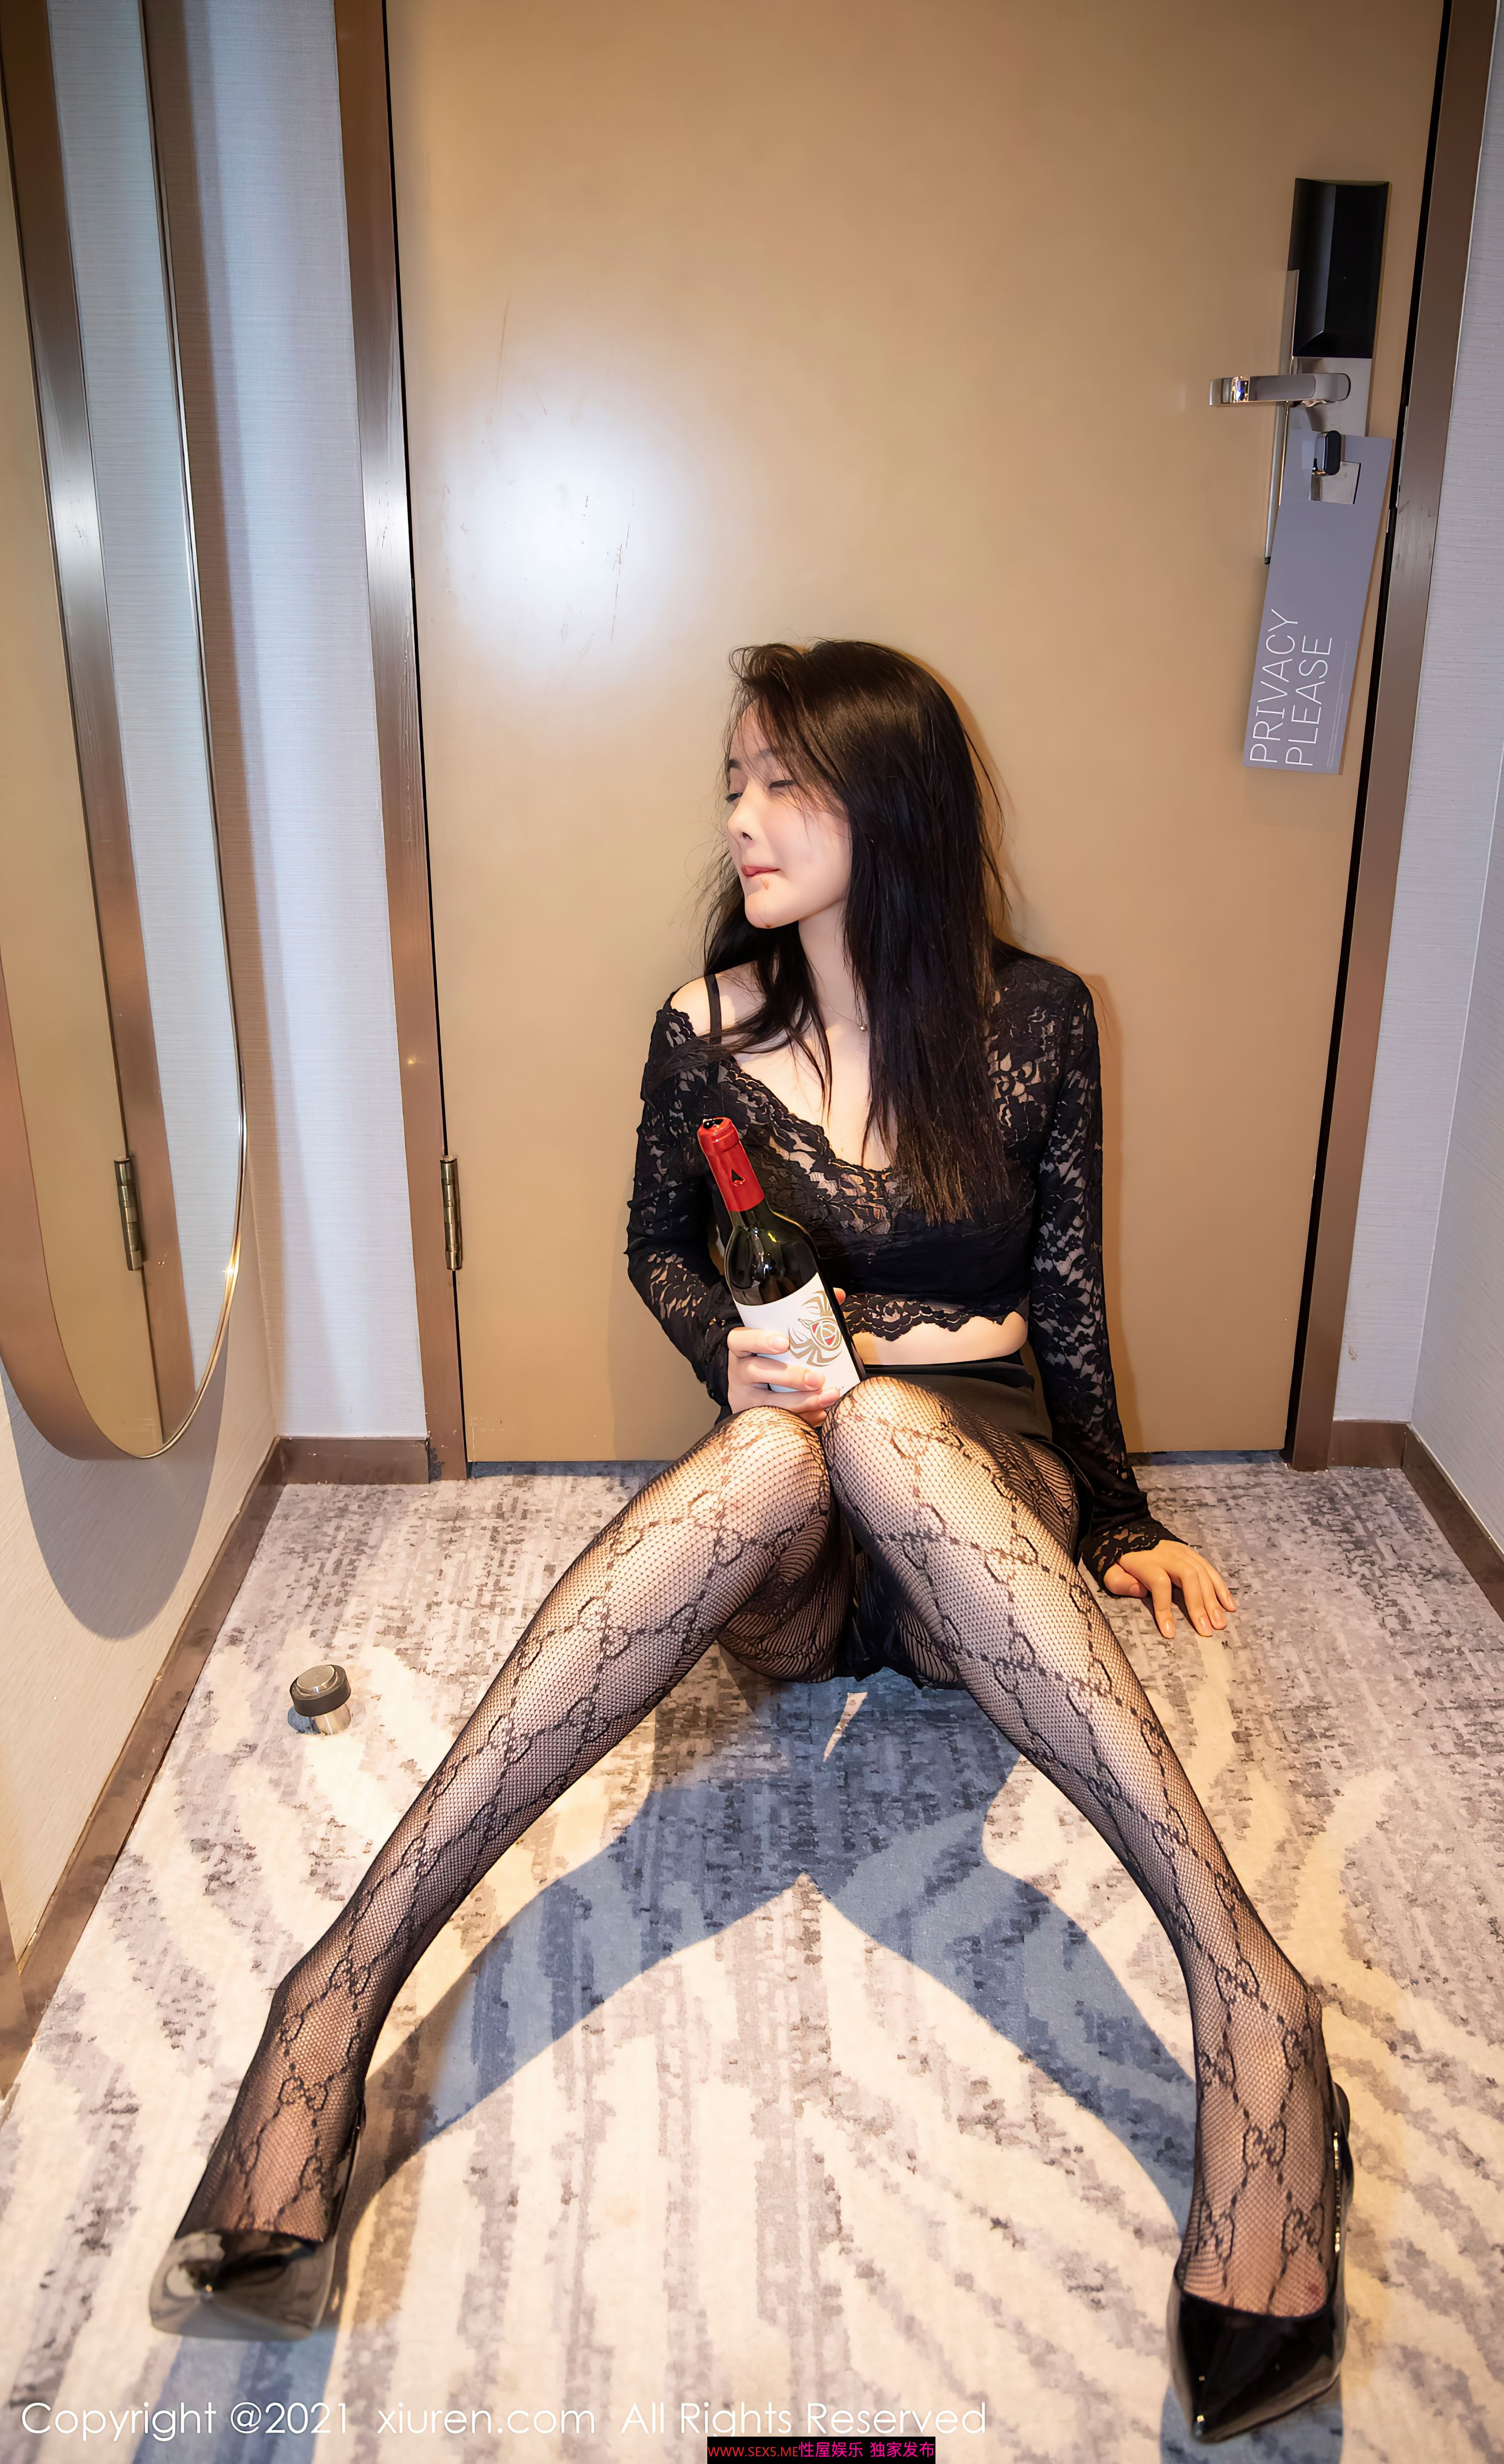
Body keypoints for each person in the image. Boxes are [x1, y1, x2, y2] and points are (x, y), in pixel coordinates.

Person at [152, 641, 1351, 2443]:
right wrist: (724, 1343)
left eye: (786, 782)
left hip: (975, 1504)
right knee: (792, 1449)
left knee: (882, 1423)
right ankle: (339, 1982)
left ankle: (1253, 2002)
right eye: (735, 781)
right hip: (797, 1528)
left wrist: (1113, 1509)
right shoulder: (705, 1031)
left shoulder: (1038, 1022)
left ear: (896, 805)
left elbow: (1066, 1295)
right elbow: (658, 1238)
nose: (743, 817)